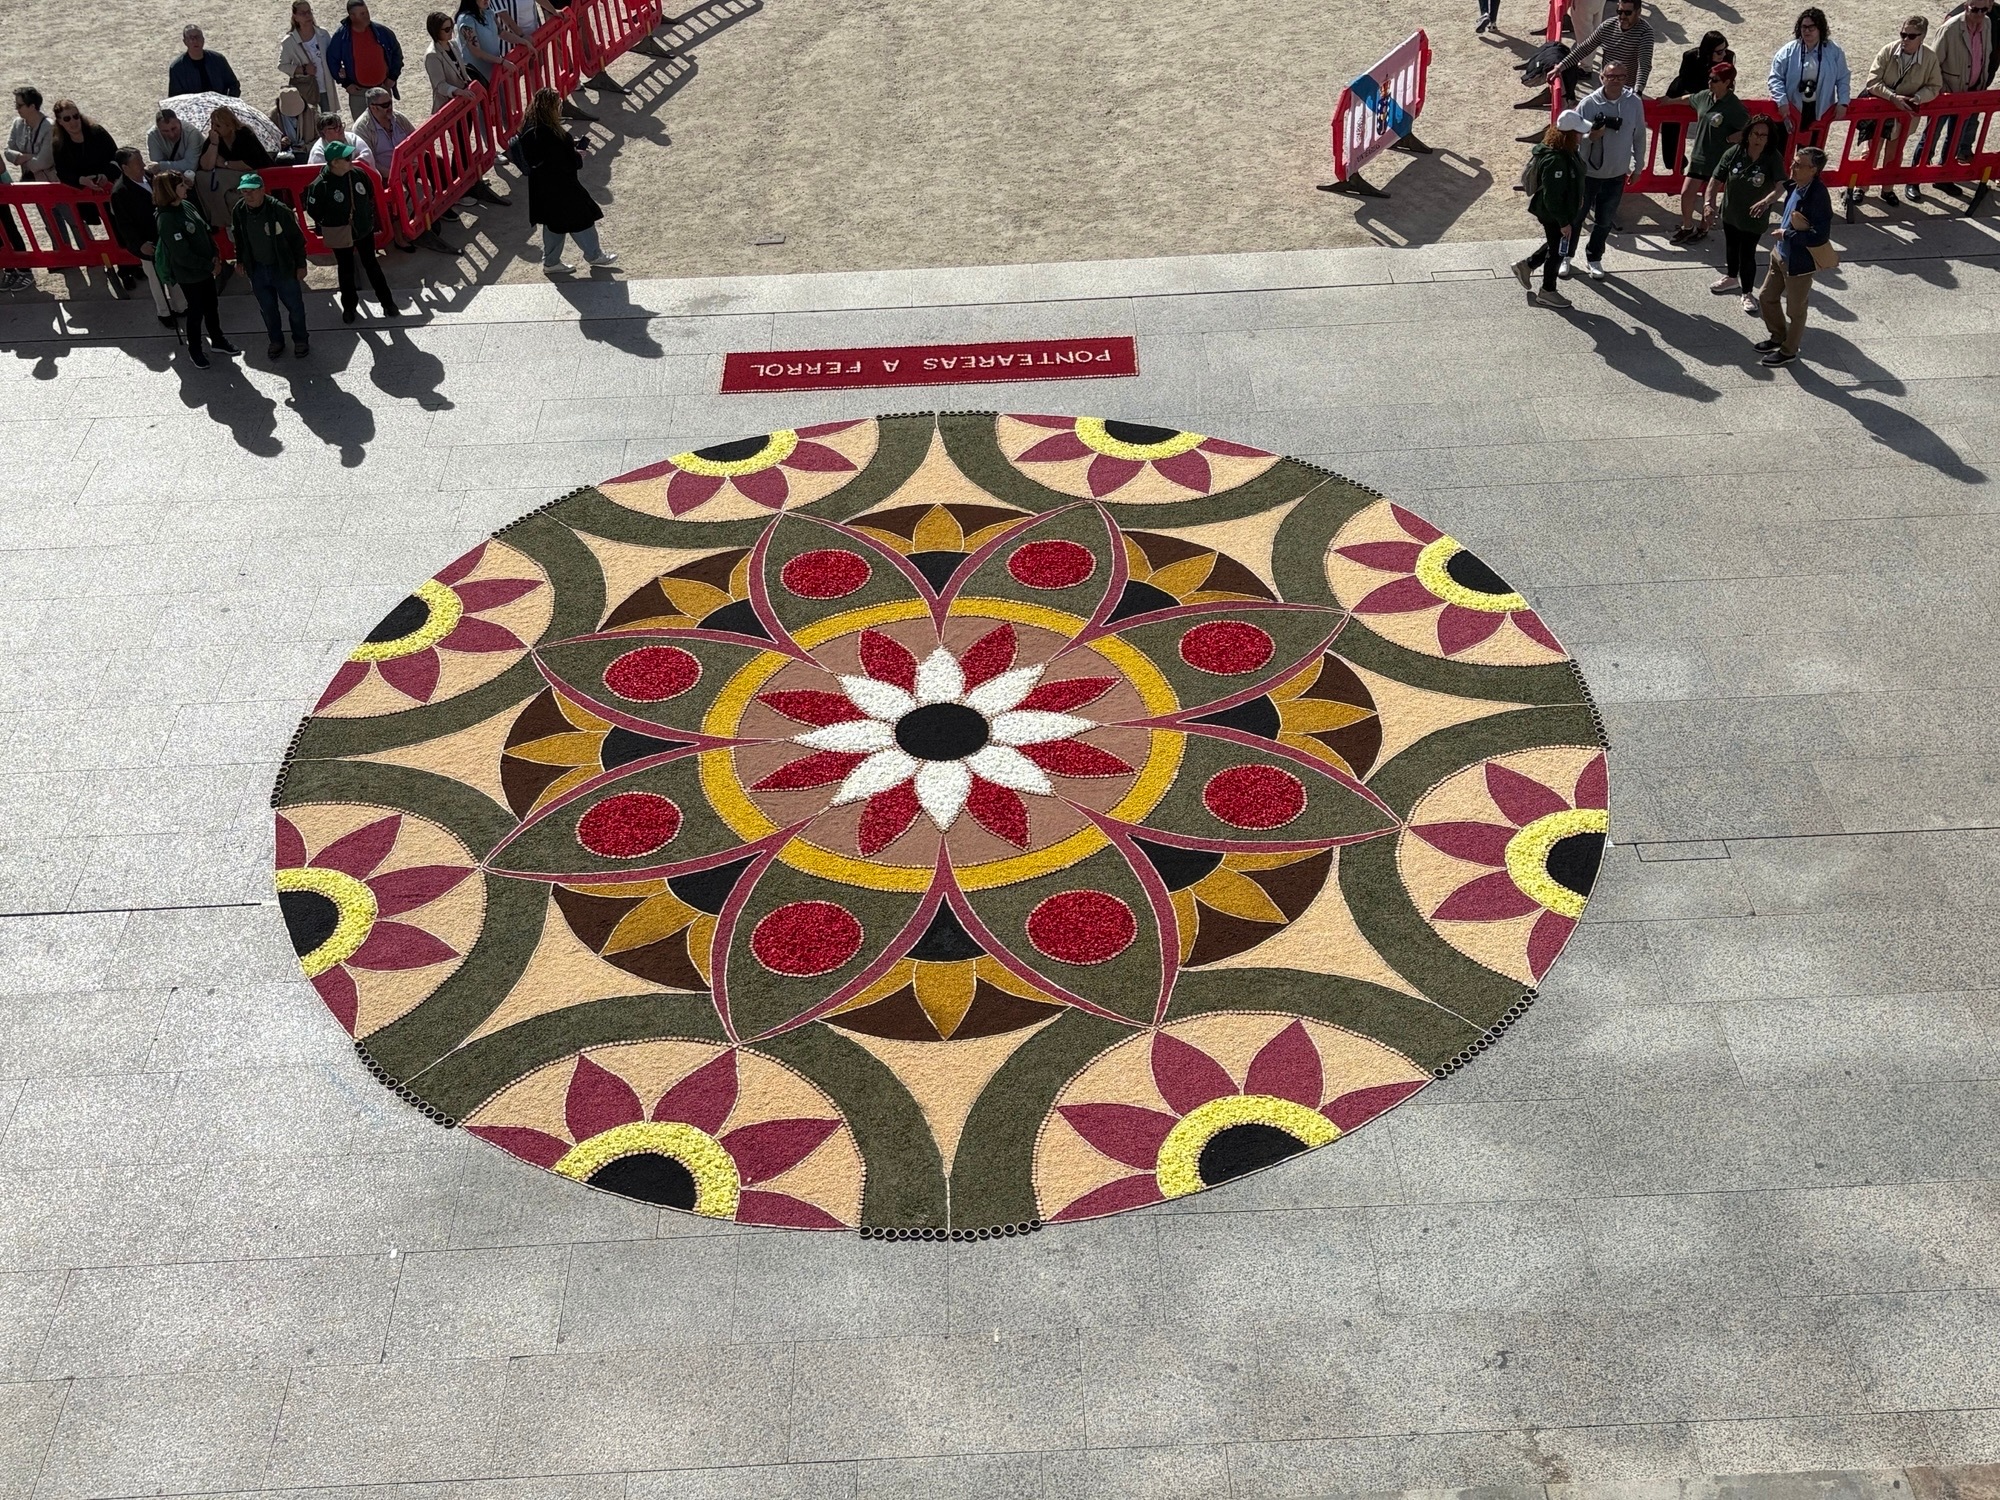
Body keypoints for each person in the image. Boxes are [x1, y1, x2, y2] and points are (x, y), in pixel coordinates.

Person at [515, 86, 617, 275]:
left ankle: (552, 261)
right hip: (562, 187)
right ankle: (594, 255)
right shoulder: (555, 135)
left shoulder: (529, 128)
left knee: (554, 224)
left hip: (541, 187)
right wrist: (577, 154)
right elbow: (569, 163)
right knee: (583, 218)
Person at [303, 139, 402, 320]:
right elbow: (313, 210)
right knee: (346, 269)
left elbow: (369, 195)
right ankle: (349, 307)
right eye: (347, 158)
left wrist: (363, 218)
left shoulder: (358, 174)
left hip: (363, 229)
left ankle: (388, 303)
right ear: (334, 163)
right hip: (340, 233)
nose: (351, 159)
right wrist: (332, 222)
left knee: (372, 265)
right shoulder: (321, 185)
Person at [1753, 144, 1832, 367]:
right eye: (1794, 162)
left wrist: (1787, 233)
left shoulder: (1818, 196)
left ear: (1814, 170)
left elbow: (1819, 236)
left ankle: (1789, 350)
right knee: (1766, 297)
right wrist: (1765, 201)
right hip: (1780, 254)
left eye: (1799, 164)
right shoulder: (1796, 185)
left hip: (1799, 262)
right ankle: (1778, 336)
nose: (1793, 167)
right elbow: (1780, 189)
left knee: (1796, 311)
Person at [1566, 61, 1644, 279]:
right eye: (1611, 77)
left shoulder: (1634, 103)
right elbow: (1573, 136)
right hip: (1587, 174)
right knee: (1575, 218)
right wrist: (1591, 136)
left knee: (1604, 220)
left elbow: (1639, 136)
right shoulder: (1588, 104)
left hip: (1616, 173)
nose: (1616, 81)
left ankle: (1594, 258)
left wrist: (1639, 167)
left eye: (1620, 77)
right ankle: (1566, 256)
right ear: (1601, 77)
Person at [1852, 16, 1940, 208]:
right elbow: (1872, 82)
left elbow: (1934, 87)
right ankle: (1861, 187)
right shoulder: (1888, 50)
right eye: (1903, 34)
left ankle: (1887, 189)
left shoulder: (1929, 58)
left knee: (1894, 154)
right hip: (1878, 114)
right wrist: (1892, 97)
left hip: (1903, 117)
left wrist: (1917, 98)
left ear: (1922, 37)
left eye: (1911, 36)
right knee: (1870, 151)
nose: (1905, 39)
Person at [1705, 114, 1788, 313]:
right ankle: (1731, 277)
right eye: (1755, 133)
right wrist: (1709, 204)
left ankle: (1748, 292)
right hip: (1731, 212)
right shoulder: (1734, 153)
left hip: (1754, 216)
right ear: (1748, 134)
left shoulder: (1772, 157)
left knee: (1747, 253)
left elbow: (1781, 185)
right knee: (1732, 246)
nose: (1758, 138)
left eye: (1763, 135)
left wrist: (1767, 201)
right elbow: (1715, 180)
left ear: (1768, 138)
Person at [152, 172, 236, 368]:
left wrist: (215, 253)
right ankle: (195, 350)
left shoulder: (186, 205)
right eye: (181, 185)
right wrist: (209, 265)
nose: (185, 187)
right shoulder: (167, 220)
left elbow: (204, 231)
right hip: (190, 275)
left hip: (206, 268)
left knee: (211, 306)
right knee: (196, 312)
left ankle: (218, 340)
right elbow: (182, 255)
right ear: (170, 190)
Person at [1511, 112, 1589, 307]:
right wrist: (1563, 222)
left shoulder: (1567, 150)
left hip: (1561, 211)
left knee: (1556, 245)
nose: (1582, 136)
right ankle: (1547, 290)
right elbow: (1552, 197)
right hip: (1553, 213)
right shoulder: (1556, 160)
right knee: (1558, 252)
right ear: (1569, 134)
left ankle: (1527, 266)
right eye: (1579, 133)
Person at [1922, 0, 1996, 198]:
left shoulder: (1987, 23)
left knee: (1954, 137)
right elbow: (1933, 63)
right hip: (1946, 95)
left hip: (1970, 93)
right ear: (1966, 7)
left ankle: (1943, 177)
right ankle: (1915, 178)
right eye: (1975, 9)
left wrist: (1981, 84)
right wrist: (1941, 91)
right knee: (1931, 135)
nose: (1979, 14)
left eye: (1983, 9)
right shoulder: (1950, 28)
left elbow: (1985, 55)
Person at [231, 173, 311, 358]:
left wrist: (301, 264)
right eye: (244, 191)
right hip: (257, 269)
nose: (248, 195)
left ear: (262, 190)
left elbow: (297, 239)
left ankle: (300, 340)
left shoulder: (280, 210)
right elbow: (239, 237)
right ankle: (276, 341)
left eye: (252, 191)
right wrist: (240, 260)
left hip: (282, 268)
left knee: (295, 308)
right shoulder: (239, 210)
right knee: (268, 310)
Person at [1672, 62, 1748, 241]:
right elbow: (1689, 98)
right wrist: (1669, 101)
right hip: (1699, 157)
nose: (1710, 82)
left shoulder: (1734, 106)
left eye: (1715, 79)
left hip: (1719, 160)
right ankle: (1687, 226)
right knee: (1686, 193)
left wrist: (1731, 138)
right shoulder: (1705, 96)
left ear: (1727, 82)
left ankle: (1703, 229)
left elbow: (1749, 129)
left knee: (1709, 199)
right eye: (1710, 78)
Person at [108, 149, 178, 322]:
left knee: (173, 273)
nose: (141, 165)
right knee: (156, 279)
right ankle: (164, 312)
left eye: (140, 160)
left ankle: (180, 306)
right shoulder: (120, 192)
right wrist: (139, 244)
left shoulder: (148, 176)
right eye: (136, 162)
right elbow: (124, 225)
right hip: (147, 242)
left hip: (164, 235)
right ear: (125, 167)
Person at [9, 87, 80, 250]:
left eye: (19, 105)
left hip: (56, 181)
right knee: (51, 222)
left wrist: (24, 157)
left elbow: (42, 162)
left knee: (73, 220)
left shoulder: (49, 127)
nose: (17, 109)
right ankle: (63, 256)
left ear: (32, 106)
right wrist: (28, 157)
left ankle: (89, 256)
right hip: (37, 182)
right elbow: (8, 151)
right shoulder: (18, 124)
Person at [1769, 8, 1851, 138]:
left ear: (1820, 29)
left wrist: (1843, 102)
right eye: (1804, 27)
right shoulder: (1787, 52)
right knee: (1784, 151)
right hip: (1791, 109)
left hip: (1818, 109)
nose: (1807, 31)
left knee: (1811, 153)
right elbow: (1775, 78)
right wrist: (1782, 101)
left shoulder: (1834, 51)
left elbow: (1843, 78)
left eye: (1811, 27)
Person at [356, 89, 421, 249]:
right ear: (373, 107)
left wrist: (414, 161)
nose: (390, 107)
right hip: (383, 173)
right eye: (385, 105)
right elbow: (368, 161)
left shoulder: (398, 117)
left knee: (435, 164)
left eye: (390, 102)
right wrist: (393, 174)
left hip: (407, 165)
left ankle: (436, 213)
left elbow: (415, 137)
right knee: (394, 197)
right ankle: (399, 237)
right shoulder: (362, 128)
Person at [1553, 0, 1656, 96]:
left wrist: (1638, 91)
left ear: (1638, 12)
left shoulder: (1645, 33)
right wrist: (1560, 67)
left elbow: (1644, 65)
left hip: (1626, 90)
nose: (1622, 16)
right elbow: (1585, 48)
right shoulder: (1608, 26)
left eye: (1628, 13)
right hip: (1605, 87)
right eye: (1619, 12)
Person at [1661, 30, 1732, 170]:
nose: (1723, 54)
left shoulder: (1728, 57)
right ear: (1708, 51)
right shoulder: (1690, 57)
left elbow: (1728, 84)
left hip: (1711, 96)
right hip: (1685, 92)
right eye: (1719, 52)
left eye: (1725, 49)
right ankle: (1676, 166)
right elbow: (1685, 81)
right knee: (1669, 130)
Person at [194, 105, 273, 228]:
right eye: (212, 124)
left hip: (253, 173)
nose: (214, 128)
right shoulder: (215, 137)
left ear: (229, 126)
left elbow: (250, 163)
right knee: (202, 177)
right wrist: (214, 144)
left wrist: (224, 164)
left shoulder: (244, 134)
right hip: (232, 176)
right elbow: (206, 166)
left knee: (223, 185)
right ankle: (220, 221)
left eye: (218, 126)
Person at [328, 0, 405, 120]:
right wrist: (346, 84)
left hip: (382, 88)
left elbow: (396, 52)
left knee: (387, 125)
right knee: (363, 131)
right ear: (352, 16)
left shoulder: (381, 31)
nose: (367, 16)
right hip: (359, 93)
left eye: (366, 12)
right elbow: (332, 60)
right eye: (362, 14)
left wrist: (392, 77)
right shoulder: (342, 37)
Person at [49, 101, 119, 228]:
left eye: (76, 116)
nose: (73, 121)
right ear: (60, 122)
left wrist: (106, 175)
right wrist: (82, 180)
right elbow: (62, 172)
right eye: (67, 118)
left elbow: (116, 156)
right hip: (86, 199)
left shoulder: (97, 132)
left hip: (112, 192)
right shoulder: (59, 144)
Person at [281, 1, 338, 111]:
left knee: (329, 120)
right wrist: (303, 70)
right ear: (295, 17)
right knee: (309, 122)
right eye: (303, 13)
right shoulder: (289, 41)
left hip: (326, 87)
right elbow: (282, 65)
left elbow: (333, 57)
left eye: (309, 12)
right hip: (306, 89)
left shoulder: (323, 34)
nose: (307, 16)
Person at [454, 0, 519, 86]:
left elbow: (502, 33)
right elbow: (477, 52)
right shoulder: (466, 20)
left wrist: (524, 41)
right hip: (478, 77)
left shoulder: (489, 12)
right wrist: (501, 61)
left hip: (494, 72)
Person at [168, 25, 241, 98]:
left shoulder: (218, 60)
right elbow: (175, 98)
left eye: (198, 37)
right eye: (191, 38)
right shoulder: (177, 68)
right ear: (185, 42)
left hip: (220, 105)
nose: (195, 41)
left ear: (203, 39)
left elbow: (233, 85)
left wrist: (228, 102)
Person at [307, 112, 377, 170]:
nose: (341, 129)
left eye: (340, 125)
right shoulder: (318, 153)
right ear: (324, 132)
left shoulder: (352, 138)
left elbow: (367, 155)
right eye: (335, 128)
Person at [271, 87, 322, 162]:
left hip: (308, 153)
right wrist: (280, 142)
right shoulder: (274, 116)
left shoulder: (312, 113)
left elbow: (321, 137)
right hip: (285, 157)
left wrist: (307, 147)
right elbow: (269, 140)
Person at [147, 107, 201, 172]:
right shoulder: (153, 136)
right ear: (158, 129)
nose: (171, 135)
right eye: (165, 131)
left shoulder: (192, 133)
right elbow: (156, 164)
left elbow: (190, 165)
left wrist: (162, 166)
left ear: (179, 122)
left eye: (174, 128)